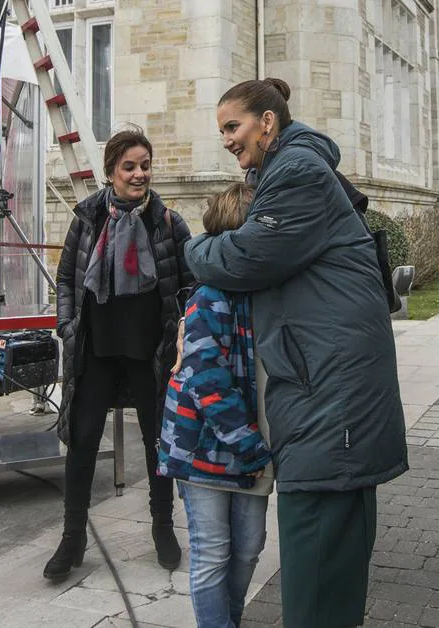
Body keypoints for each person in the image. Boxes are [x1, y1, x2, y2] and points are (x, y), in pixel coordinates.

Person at [184, 78, 408, 628]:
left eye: (233, 127)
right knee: (332, 548)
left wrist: (194, 246)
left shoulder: (298, 171)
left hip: (330, 395)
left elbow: (244, 257)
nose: (228, 142)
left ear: (267, 122)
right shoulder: (292, 168)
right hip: (328, 389)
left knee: (316, 550)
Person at [44, 128, 192, 581]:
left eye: (145, 165)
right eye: (129, 166)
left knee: (157, 443)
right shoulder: (88, 217)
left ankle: (162, 527)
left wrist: (182, 334)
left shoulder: (167, 221)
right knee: (83, 440)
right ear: (110, 172)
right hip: (97, 351)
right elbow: (67, 277)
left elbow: (189, 283)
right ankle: (73, 536)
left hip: (151, 353)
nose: (139, 174)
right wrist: (68, 327)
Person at [158, 183, 274, 628]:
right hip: (205, 447)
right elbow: (208, 381)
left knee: (249, 548)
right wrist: (249, 446)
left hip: (252, 449)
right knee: (212, 551)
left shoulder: (264, 295)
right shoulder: (209, 297)